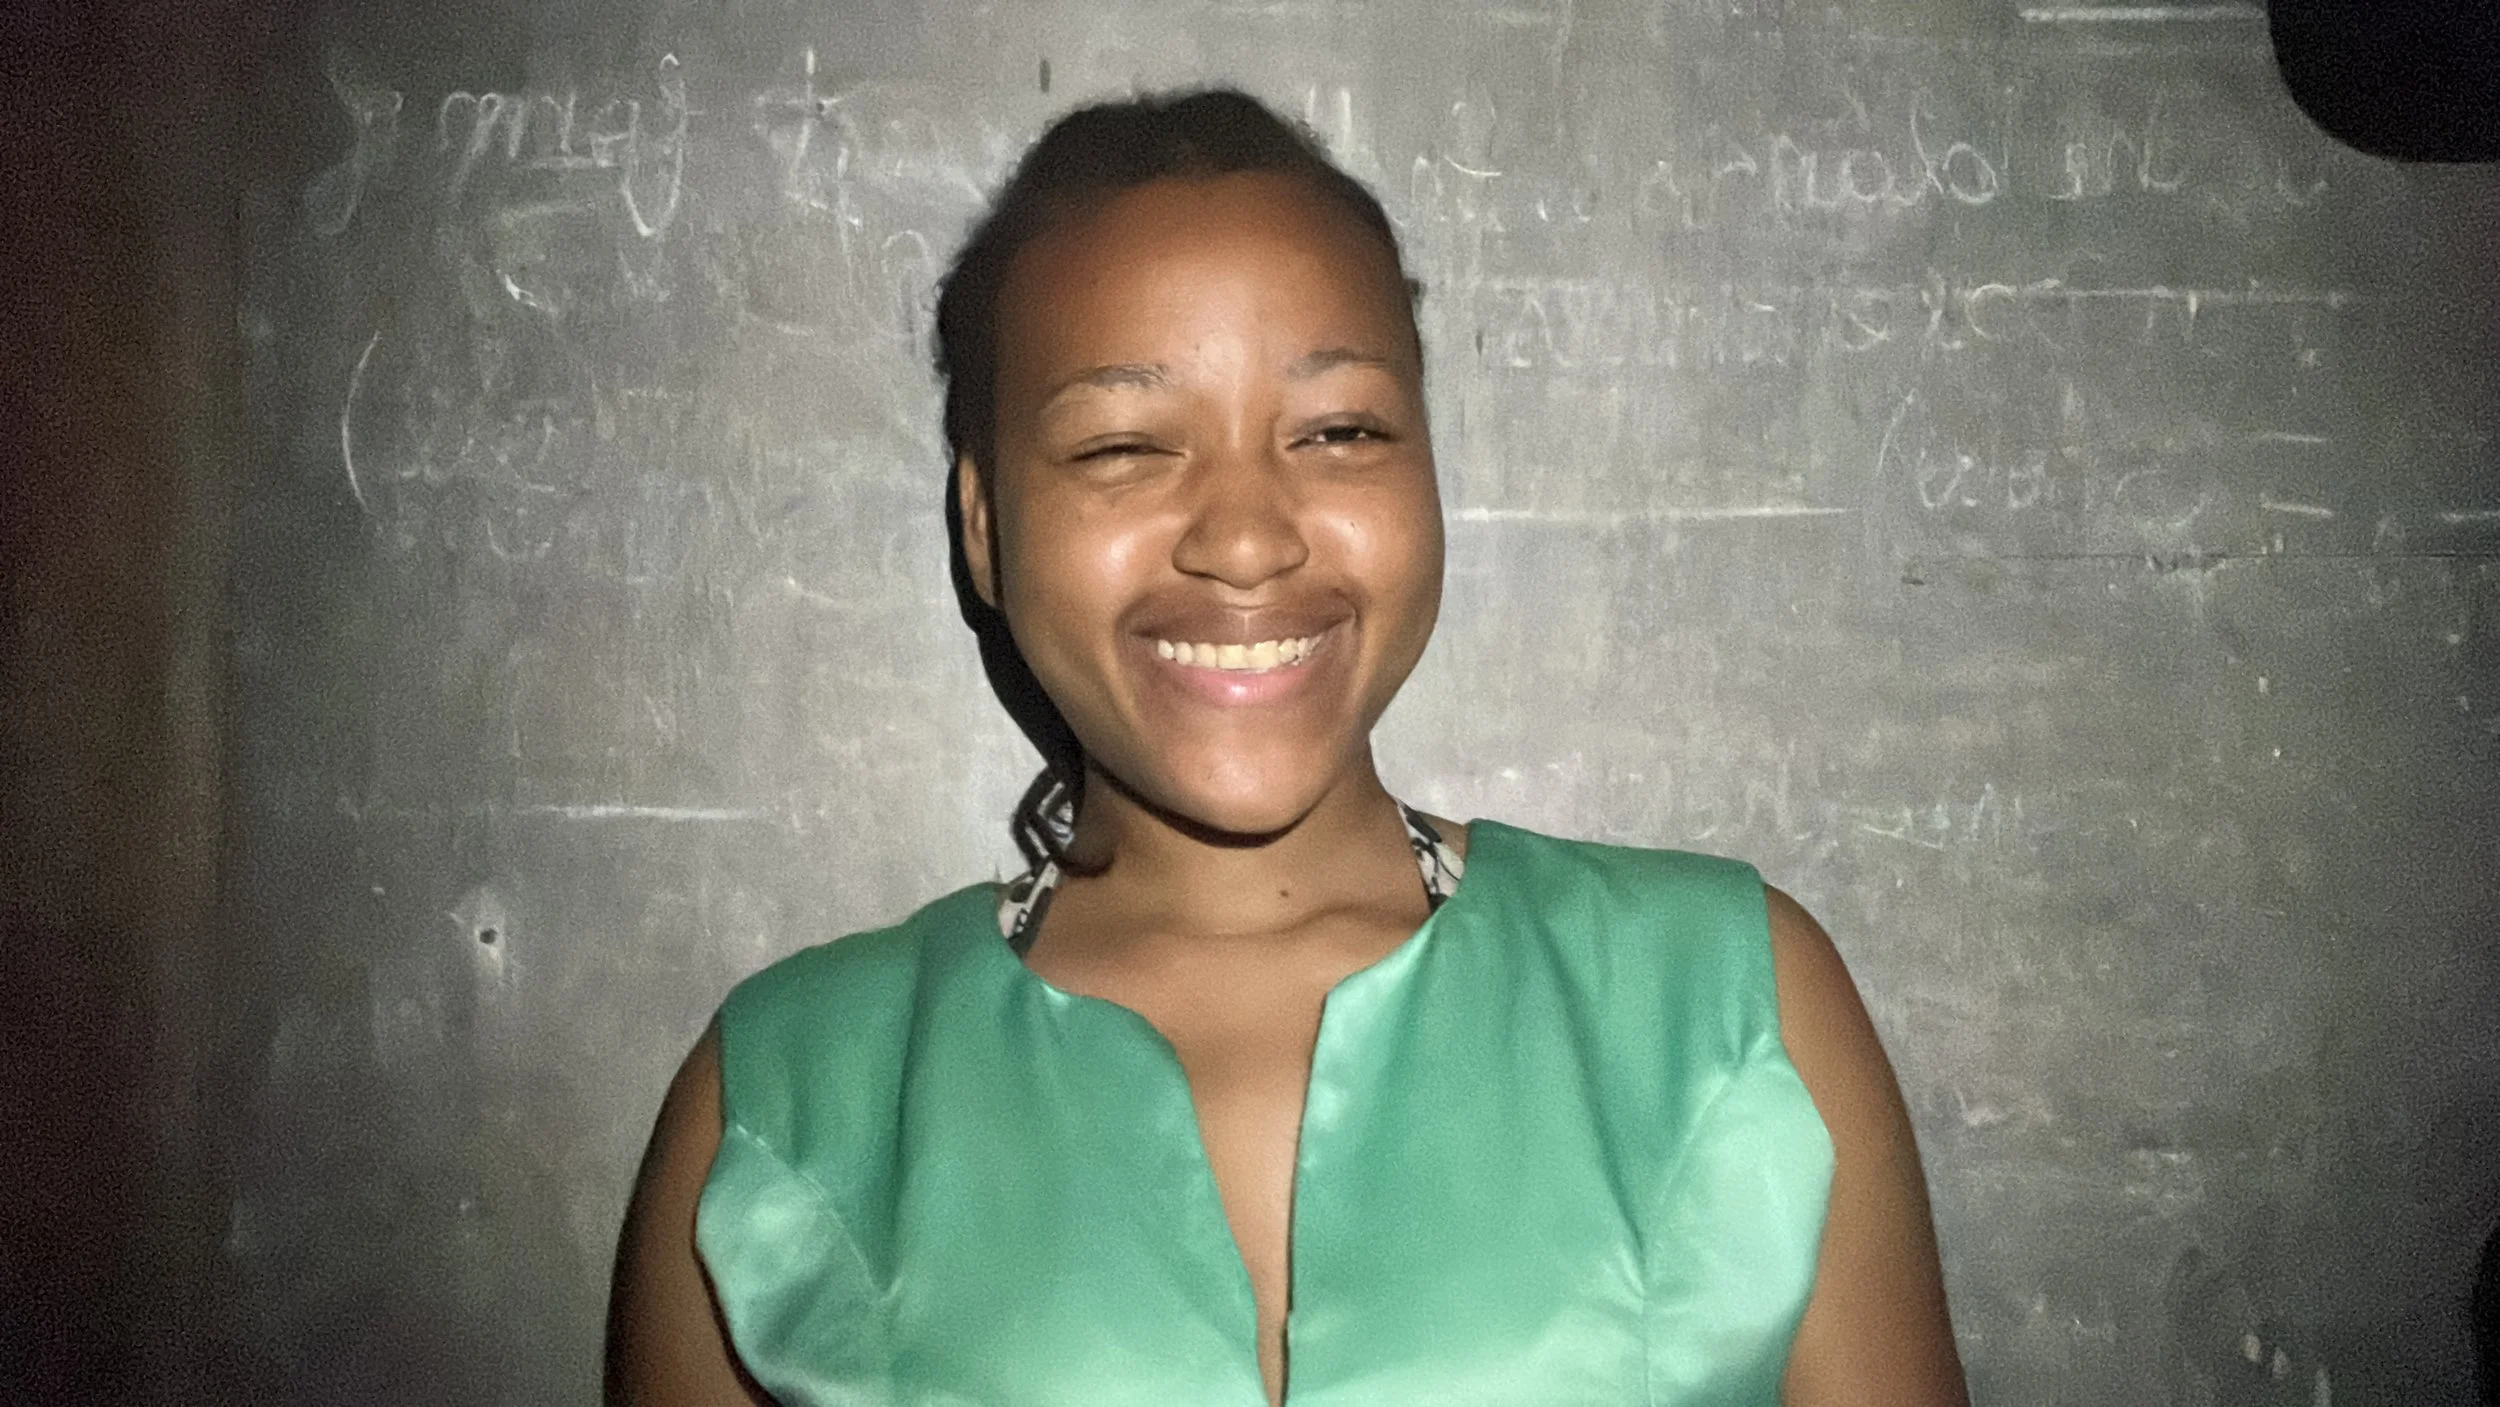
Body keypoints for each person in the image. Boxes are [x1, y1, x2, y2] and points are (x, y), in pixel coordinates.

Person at [605, 88, 1966, 1406]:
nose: (1248, 536)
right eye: (1126, 445)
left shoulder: (1733, 1012)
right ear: (982, 526)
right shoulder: (783, 1105)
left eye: (1339, 430)